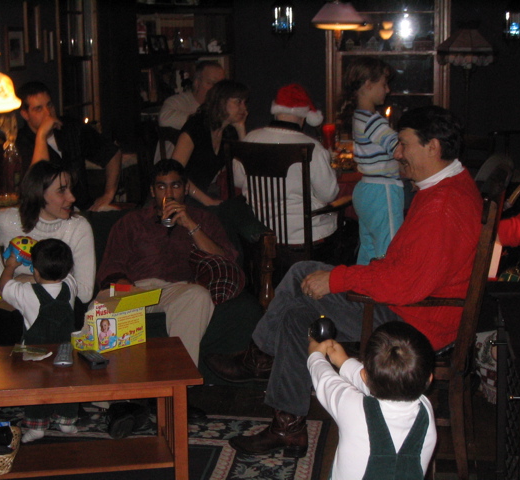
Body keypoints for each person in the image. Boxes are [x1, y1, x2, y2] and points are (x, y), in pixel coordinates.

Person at [205, 106, 482, 457]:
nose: (397, 153)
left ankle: (265, 371)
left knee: (299, 302)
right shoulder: (449, 186)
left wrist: (338, 279)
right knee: (300, 289)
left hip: (416, 322)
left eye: (404, 144)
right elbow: (407, 270)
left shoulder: (442, 206)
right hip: (418, 307)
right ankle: (277, 402)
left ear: (433, 147)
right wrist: (346, 277)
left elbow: (404, 284)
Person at [95, 159, 240, 365]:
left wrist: (190, 224)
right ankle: (113, 383)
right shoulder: (131, 222)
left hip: (177, 290)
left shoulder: (203, 220)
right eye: (162, 187)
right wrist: (127, 288)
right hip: (136, 289)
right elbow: (112, 265)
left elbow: (225, 260)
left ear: (186, 189)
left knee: (199, 296)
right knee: (105, 301)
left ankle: (179, 378)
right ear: (153, 191)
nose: (169, 194)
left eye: (176, 186)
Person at [0, 161, 95, 344]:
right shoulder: (7, 220)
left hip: (60, 304)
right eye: (61, 191)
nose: (72, 198)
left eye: (70, 189)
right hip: (14, 302)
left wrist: (26, 280)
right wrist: (2, 279)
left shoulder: (79, 228)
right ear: (39, 193)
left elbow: (85, 292)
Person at [308, 321, 437, 479]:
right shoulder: (426, 409)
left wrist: (315, 356)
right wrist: (344, 362)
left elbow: (325, 381)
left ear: (364, 376)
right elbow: (389, 384)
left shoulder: (351, 408)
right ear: (429, 379)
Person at [234, 83, 339, 245]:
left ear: (276, 112)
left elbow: (238, 181)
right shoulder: (312, 147)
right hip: (304, 236)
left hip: (258, 234)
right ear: (304, 116)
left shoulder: (250, 139)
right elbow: (328, 194)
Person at [0, 238, 79, 443]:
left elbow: (3, 287)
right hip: (65, 352)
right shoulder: (71, 284)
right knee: (66, 386)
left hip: (35, 355)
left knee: (36, 388)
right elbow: (63, 275)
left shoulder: (26, 292)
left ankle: (37, 426)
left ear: (35, 270)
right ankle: (66, 422)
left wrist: (10, 266)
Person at [15, 81, 123, 211]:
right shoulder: (20, 142)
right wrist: (41, 135)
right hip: (47, 213)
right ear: (25, 114)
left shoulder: (71, 128)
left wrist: (108, 194)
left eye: (49, 105)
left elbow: (112, 153)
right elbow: (37, 183)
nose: (48, 113)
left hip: (82, 208)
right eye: (39, 109)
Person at [341, 57, 403, 265]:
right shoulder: (373, 121)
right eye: (384, 84)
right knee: (389, 249)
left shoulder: (358, 117)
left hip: (365, 190)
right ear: (368, 84)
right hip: (382, 191)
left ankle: (362, 284)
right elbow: (398, 149)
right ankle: (387, 285)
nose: (388, 90)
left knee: (369, 249)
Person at [172, 79, 249, 206]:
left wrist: (241, 128)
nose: (244, 108)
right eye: (238, 102)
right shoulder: (196, 126)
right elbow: (175, 171)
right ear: (221, 101)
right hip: (182, 197)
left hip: (203, 194)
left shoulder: (229, 132)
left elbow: (246, 169)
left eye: (245, 103)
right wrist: (207, 201)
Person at [157, 61, 226, 159]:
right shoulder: (178, 101)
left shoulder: (223, 107)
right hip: (173, 164)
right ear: (197, 83)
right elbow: (164, 118)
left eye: (220, 85)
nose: (217, 89)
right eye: (211, 83)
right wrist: (200, 120)